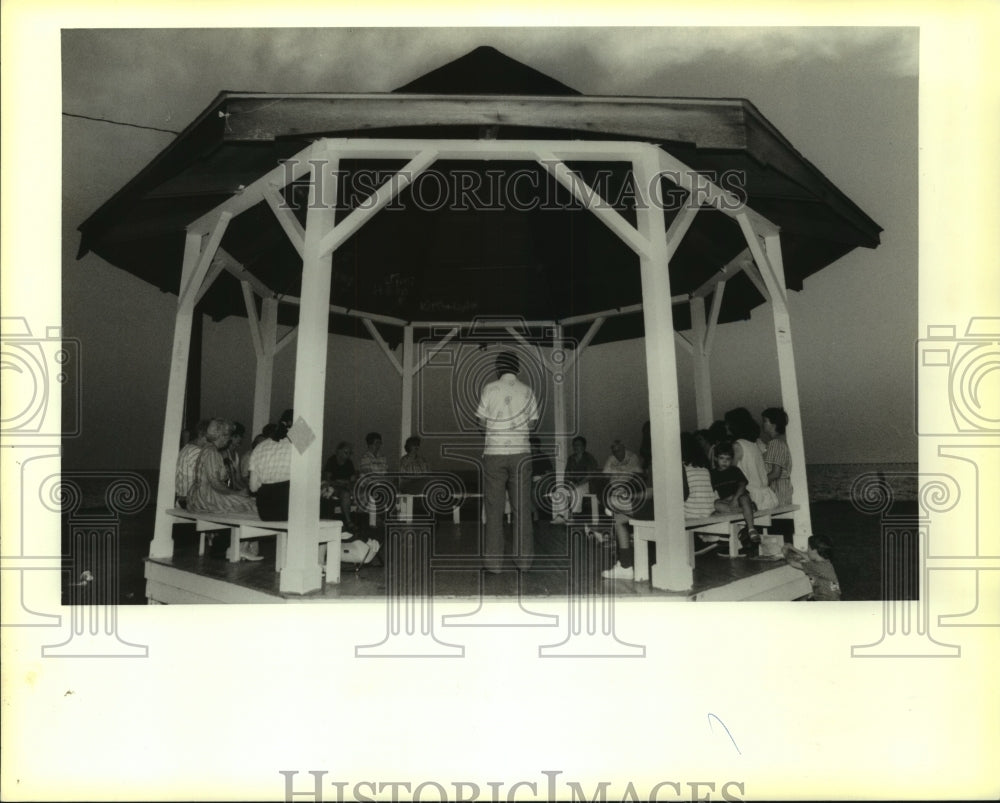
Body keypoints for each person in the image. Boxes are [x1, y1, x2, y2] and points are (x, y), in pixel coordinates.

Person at [475, 351, 539, 573]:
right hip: (521, 453)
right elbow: (532, 425)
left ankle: (493, 565)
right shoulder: (528, 391)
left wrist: (496, 429)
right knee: (522, 508)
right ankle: (524, 563)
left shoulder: (489, 389)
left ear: (497, 368)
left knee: (494, 510)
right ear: (517, 367)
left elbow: (480, 422)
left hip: (494, 453)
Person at [187, 418, 261, 560]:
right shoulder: (212, 453)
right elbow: (215, 483)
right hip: (206, 496)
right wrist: (237, 493)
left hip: (203, 495)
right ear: (221, 436)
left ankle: (244, 546)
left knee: (249, 503)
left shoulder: (209, 451)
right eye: (227, 436)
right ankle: (240, 547)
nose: (228, 440)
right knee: (250, 505)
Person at [723, 407, 778, 513]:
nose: (725, 426)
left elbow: (730, 474)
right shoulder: (754, 444)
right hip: (766, 496)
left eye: (727, 423)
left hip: (752, 498)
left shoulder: (737, 445)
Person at [709, 441, 760, 550]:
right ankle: (748, 509)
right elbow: (712, 492)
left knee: (744, 497)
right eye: (722, 458)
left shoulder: (734, 470)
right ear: (716, 459)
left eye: (728, 459)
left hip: (740, 497)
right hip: (727, 501)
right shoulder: (713, 474)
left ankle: (751, 529)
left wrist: (735, 498)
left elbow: (742, 485)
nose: (725, 462)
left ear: (731, 460)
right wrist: (728, 501)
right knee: (716, 504)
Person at [247, 410, 294, 521]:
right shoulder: (299, 444)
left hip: (265, 510)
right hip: (289, 505)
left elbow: (253, 488)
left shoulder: (260, 447)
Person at [553, 435, 600, 523]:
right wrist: (567, 484)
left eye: (578, 445)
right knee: (559, 491)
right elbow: (567, 474)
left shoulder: (589, 457)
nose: (576, 447)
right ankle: (561, 515)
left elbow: (590, 475)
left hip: (586, 484)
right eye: (574, 445)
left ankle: (574, 515)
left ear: (584, 446)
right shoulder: (571, 458)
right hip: (573, 483)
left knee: (577, 491)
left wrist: (578, 484)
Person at [782, 535, 841, 600]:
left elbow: (792, 563)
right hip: (834, 596)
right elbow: (808, 558)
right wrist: (792, 547)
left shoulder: (813, 566)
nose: (807, 551)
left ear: (814, 551)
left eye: (808, 548)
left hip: (825, 599)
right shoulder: (826, 562)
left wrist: (785, 553)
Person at [761, 407, 793, 506]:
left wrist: (760, 483)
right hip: (781, 487)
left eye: (765, 421)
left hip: (778, 489)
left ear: (774, 424)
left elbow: (775, 473)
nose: (763, 424)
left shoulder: (776, 443)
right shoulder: (778, 442)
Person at [323, 441, 358, 532]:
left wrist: (348, 483)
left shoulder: (349, 463)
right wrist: (339, 482)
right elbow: (327, 479)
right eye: (346, 452)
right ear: (339, 451)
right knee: (344, 494)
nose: (348, 455)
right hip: (333, 488)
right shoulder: (332, 461)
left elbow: (353, 480)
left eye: (350, 453)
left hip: (346, 487)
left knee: (354, 493)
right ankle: (348, 522)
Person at [175, 419, 208, 509]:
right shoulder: (196, 452)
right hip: (189, 500)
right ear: (202, 435)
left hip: (185, 499)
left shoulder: (188, 448)